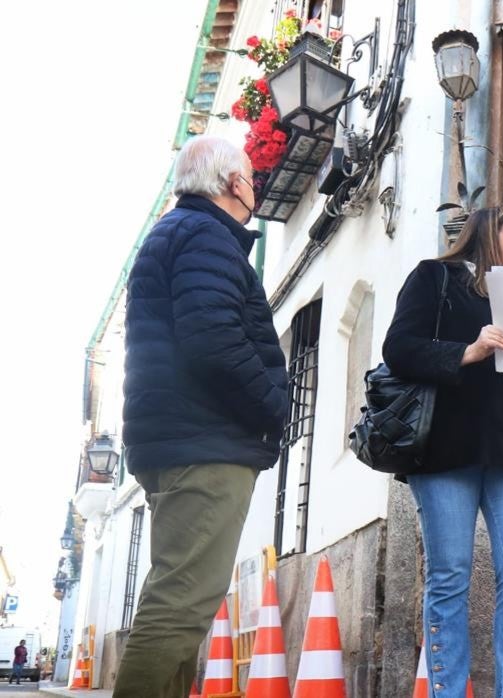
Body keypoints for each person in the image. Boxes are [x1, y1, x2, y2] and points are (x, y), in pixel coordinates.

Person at [113, 136, 289, 698]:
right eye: (250, 178)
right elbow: (212, 341)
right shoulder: (205, 236)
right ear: (232, 184)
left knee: (179, 601)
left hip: (180, 439)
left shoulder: (181, 234)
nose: (255, 186)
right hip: (204, 444)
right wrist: (273, 406)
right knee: (180, 603)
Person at [382, 206, 503, 697]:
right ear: (489, 231)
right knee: (448, 577)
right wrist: (467, 351)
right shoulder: (435, 278)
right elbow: (398, 348)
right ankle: (446, 691)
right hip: (447, 448)